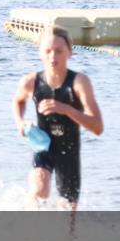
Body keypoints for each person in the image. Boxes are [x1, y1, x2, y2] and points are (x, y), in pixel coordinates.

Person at [12, 26, 104, 210]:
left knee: (67, 215)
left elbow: (98, 127)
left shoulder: (79, 83)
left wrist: (66, 109)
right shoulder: (31, 81)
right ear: (40, 53)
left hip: (69, 150)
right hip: (44, 145)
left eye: (59, 51)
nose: (52, 56)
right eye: (47, 51)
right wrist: (20, 122)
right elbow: (18, 101)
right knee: (40, 190)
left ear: (69, 52)